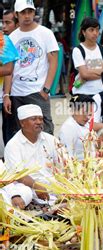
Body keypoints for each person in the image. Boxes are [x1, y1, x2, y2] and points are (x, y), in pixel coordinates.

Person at [3, 0, 59, 143]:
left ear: (34, 12)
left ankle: (48, 163)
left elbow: (54, 61)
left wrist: (46, 89)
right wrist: (7, 95)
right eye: (23, 12)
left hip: (37, 91)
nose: (27, 16)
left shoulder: (46, 33)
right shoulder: (11, 38)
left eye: (30, 12)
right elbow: (10, 69)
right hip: (16, 93)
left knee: (45, 131)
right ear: (17, 15)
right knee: (19, 134)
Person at [4, 104, 59, 207]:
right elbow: (19, 175)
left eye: (40, 119)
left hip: (53, 186)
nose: (39, 122)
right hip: (28, 187)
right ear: (22, 123)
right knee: (23, 193)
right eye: (33, 119)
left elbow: (63, 165)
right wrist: (36, 186)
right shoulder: (13, 145)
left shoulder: (52, 140)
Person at [71, 17, 103, 97]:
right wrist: (102, 71)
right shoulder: (78, 50)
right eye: (91, 30)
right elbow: (84, 75)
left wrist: (88, 71)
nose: (95, 33)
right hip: (82, 92)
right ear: (83, 32)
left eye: (97, 30)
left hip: (101, 92)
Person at [58, 94, 94, 160]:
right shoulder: (68, 128)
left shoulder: (86, 124)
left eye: (90, 113)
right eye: (84, 112)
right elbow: (67, 157)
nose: (87, 117)